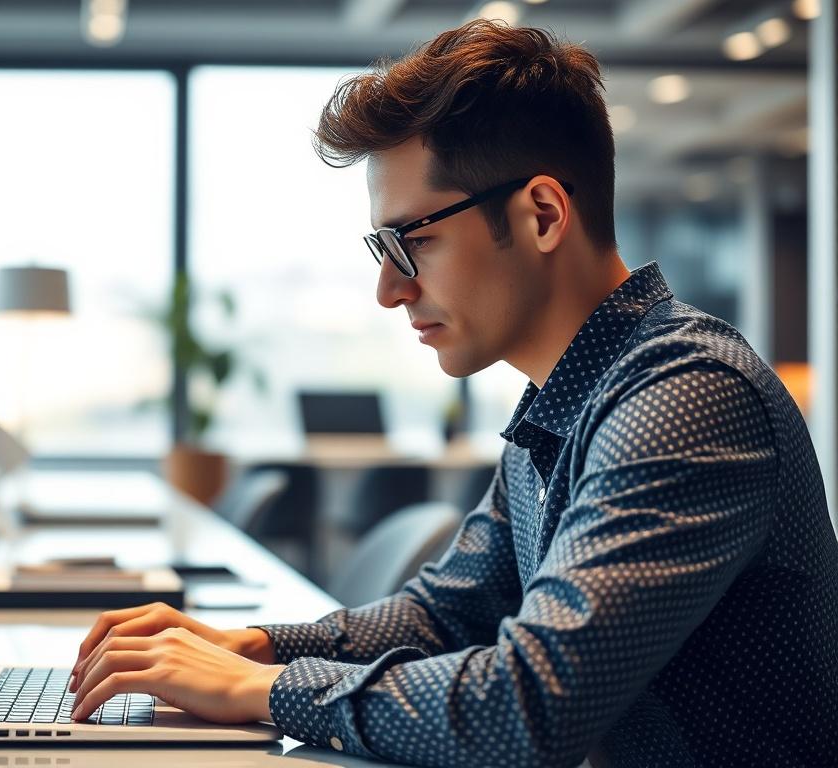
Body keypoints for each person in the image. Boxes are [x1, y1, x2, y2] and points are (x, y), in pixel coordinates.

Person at [67, 20, 838, 767]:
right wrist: (254, 647)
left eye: (415, 240)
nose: (388, 289)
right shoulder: (563, 395)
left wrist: (264, 689)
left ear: (542, 214)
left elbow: (527, 708)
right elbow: (453, 608)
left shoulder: (687, 398)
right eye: (383, 247)